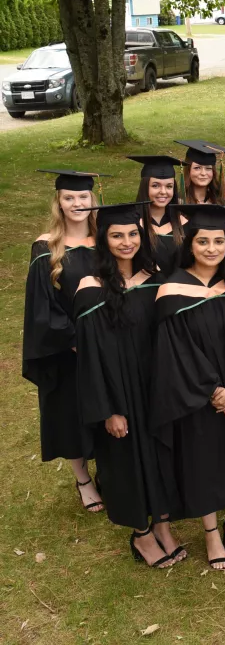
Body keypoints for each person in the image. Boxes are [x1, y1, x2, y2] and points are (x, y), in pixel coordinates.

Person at [74, 202, 182, 568]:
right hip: (119, 391)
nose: (127, 242)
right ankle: (141, 534)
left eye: (133, 234)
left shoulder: (154, 279)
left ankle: (164, 525)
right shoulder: (92, 289)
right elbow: (89, 359)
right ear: (103, 240)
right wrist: (109, 409)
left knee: (160, 456)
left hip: (154, 386)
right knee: (128, 461)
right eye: (117, 235)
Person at [150, 204, 225, 570]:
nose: (212, 248)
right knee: (204, 462)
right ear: (190, 245)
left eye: (218, 241)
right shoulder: (171, 291)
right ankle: (212, 534)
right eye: (203, 241)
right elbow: (177, 351)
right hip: (196, 395)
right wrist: (214, 392)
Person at [24, 169, 102, 513]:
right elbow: (42, 306)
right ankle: (83, 479)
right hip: (69, 348)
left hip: (106, 342)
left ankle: (109, 471)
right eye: (69, 197)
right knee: (70, 412)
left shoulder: (107, 240)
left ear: (92, 200)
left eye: (83, 197)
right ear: (59, 201)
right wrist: (75, 341)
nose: (77, 203)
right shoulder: (46, 248)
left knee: (107, 409)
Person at [130, 155, 186, 274]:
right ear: (145, 187)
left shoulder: (184, 224)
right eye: (155, 185)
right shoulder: (131, 223)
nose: (163, 192)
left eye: (169, 186)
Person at [176, 140, 225, 205]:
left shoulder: (221, 202)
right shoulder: (178, 203)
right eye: (197, 168)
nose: (203, 173)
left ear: (213, 172)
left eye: (208, 168)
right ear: (188, 170)